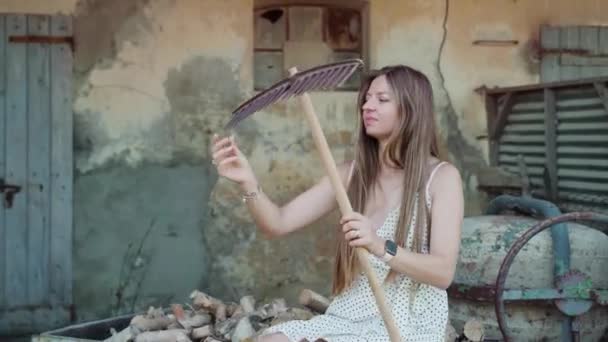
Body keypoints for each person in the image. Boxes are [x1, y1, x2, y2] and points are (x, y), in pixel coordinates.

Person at [210, 65, 464, 342]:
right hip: (349, 315)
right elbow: (278, 223)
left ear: (411, 109)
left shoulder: (441, 178)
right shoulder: (348, 175)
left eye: (382, 99)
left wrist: (380, 245)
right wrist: (248, 182)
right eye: (366, 98)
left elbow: (443, 272)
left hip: (406, 323)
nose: (368, 105)